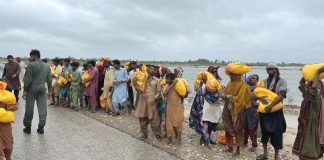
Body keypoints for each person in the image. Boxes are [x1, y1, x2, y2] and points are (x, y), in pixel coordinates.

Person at [292, 66, 324, 160]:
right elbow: (302, 84)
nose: (308, 86)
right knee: (303, 148)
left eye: (311, 85)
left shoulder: (316, 97)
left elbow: (313, 88)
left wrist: (317, 72)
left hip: (311, 125)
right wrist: (305, 73)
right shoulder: (307, 93)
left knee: (308, 149)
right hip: (304, 124)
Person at [257, 63, 287, 160]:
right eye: (268, 69)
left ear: (276, 70)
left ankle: (276, 156)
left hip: (276, 111)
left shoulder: (282, 81)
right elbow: (259, 94)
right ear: (266, 70)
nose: (270, 70)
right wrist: (262, 103)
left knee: (277, 134)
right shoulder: (263, 82)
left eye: (272, 69)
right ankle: (265, 154)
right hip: (264, 111)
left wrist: (271, 105)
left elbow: (281, 95)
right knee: (264, 133)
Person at [189, 66, 224, 149]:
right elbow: (197, 89)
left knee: (212, 123)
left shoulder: (217, 81)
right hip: (207, 104)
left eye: (215, 71)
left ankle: (207, 138)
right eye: (212, 71)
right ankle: (204, 140)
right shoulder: (205, 81)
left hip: (216, 105)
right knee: (205, 121)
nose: (214, 73)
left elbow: (221, 93)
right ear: (208, 72)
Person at [22, 49, 52, 134]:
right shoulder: (47, 66)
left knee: (29, 108)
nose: (30, 58)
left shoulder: (31, 65)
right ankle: (41, 127)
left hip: (32, 89)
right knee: (43, 108)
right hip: (42, 89)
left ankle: (28, 128)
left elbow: (28, 80)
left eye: (31, 56)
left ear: (34, 56)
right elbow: (49, 80)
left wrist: (25, 91)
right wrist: (50, 90)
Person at [222, 71, 251, 156]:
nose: (231, 76)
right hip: (228, 107)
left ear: (238, 75)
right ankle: (230, 146)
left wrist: (228, 97)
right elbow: (226, 93)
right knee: (227, 126)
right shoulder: (229, 83)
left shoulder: (243, 85)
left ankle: (238, 149)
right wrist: (224, 95)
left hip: (238, 109)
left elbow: (240, 98)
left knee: (238, 128)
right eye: (230, 74)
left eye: (233, 74)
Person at [135, 65, 162, 141]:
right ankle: (144, 133)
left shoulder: (157, 80)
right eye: (151, 69)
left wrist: (155, 98)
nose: (152, 70)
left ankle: (157, 134)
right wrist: (135, 84)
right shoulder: (142, 79)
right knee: (142, 118)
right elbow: (138, 89)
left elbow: (159, 91)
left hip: (152, 102)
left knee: (154, 119)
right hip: (142, 101)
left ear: (155, 71)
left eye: (154, 69)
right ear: (147, 70)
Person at [163, 73, 186, 145]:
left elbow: (184, 95)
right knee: (169, 123)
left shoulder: (178, 87)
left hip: (178, 107)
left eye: (168, 79)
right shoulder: (166, 86)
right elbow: (164, 93)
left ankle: (179, 139)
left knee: (179, 123)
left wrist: (174, 84)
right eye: (166, 78)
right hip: (169, 108)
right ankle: (169, 138)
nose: (166, 80)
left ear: (172, 79)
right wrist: (172, 84)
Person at [0, 80, 18, 160]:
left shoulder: (5, 95)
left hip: (5, 125)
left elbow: (15, 107)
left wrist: (4, 106)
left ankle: (8, 157)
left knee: (8, 147)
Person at [244, 74, 260, 152]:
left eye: (256, 78)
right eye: (253, 78)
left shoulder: (258, 89)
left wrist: (256, 104)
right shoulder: (245, 87)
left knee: (252, 127)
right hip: (244, 110)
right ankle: (244, 142)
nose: (254, 80)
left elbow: (262, 99)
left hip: (253, 111)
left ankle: (254, 145)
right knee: (244, 126)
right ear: (249, 79)